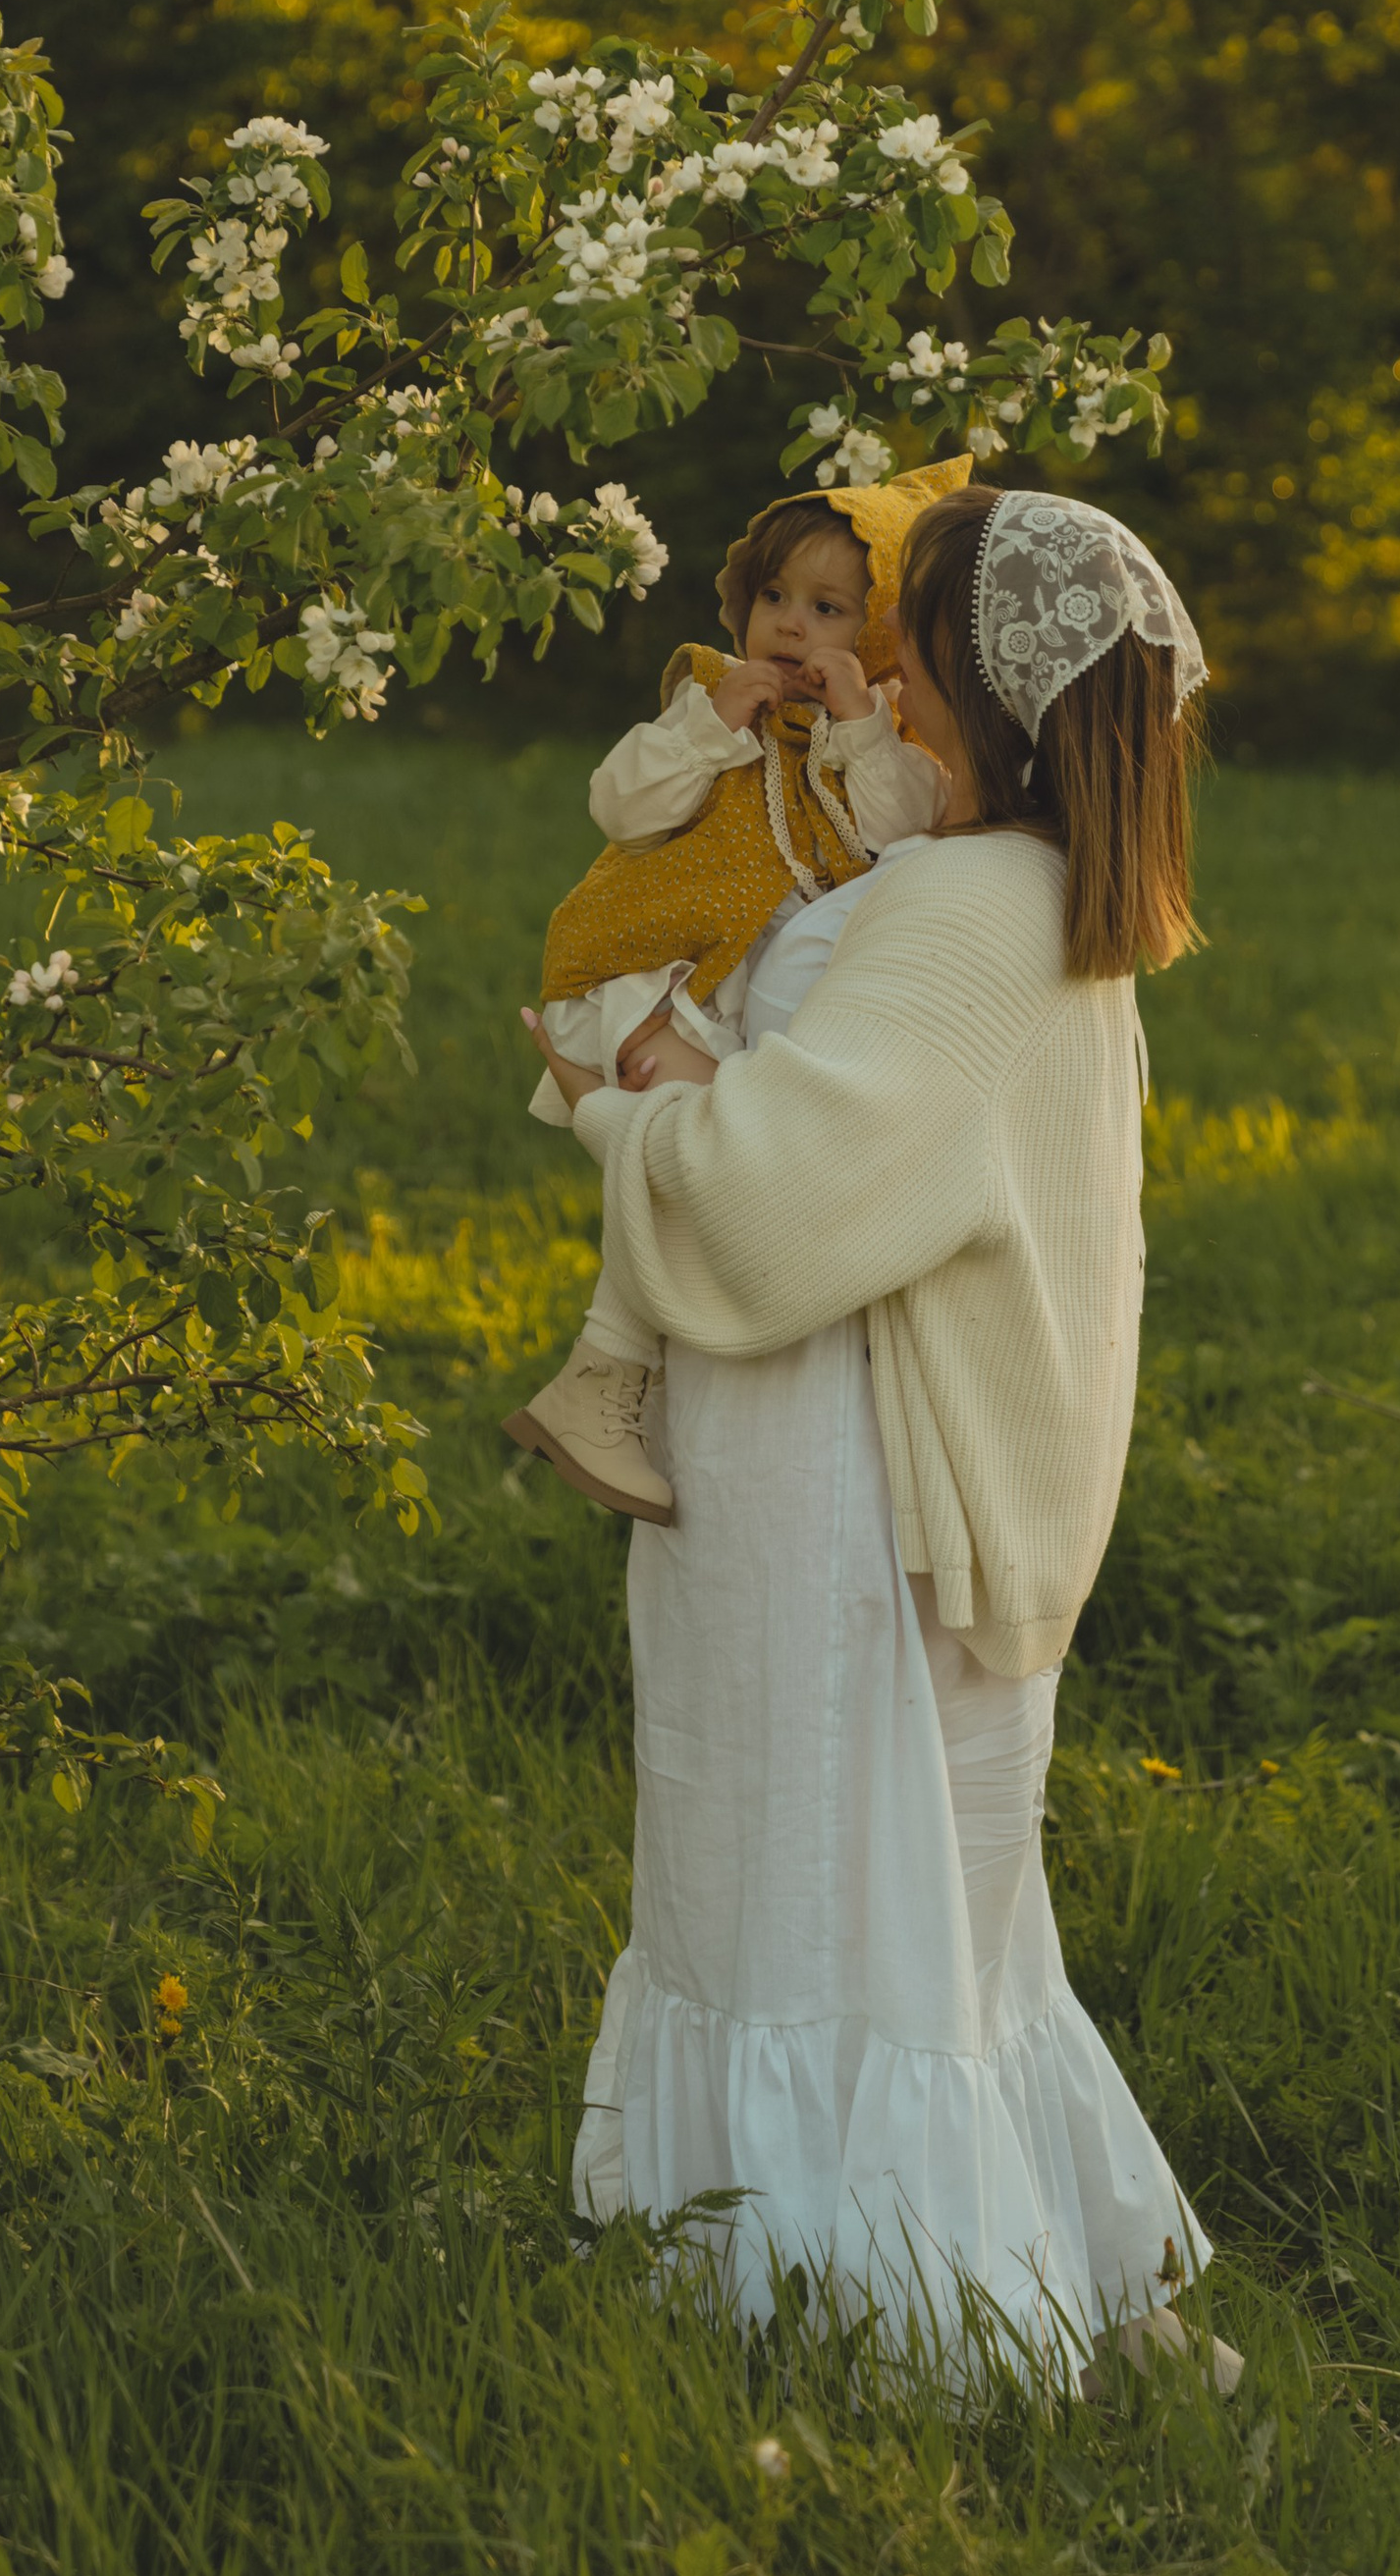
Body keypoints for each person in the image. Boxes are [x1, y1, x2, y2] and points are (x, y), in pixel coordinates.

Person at [520, 479, 1233, 2390]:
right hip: (895, 1446)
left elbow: (771, 1188)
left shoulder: (949, 908)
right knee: (923, 1894)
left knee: (809, 1870)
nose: (878, 676)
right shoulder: (1036, 901)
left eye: (909, 642)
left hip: (823, 1452)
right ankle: (956, 2260)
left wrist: (622, 1089)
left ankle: (862, 2303)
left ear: (984, 696)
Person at [506, 459, 963, 1522]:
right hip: (637, 979)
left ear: (882, 639)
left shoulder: (885, 744)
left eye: (828, 610)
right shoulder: (706, 700)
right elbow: (617, 807)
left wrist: (857, 727)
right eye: (774, 599)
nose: (791, 629)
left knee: (712, 1164)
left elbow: (904, 841)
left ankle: (614, 1384)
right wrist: (710, 725)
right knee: (699, 1150)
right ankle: (601, 1382)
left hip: (711, 1009)